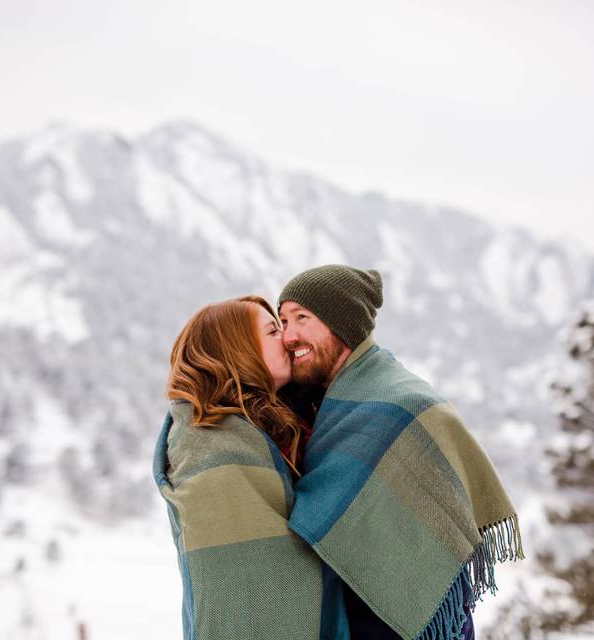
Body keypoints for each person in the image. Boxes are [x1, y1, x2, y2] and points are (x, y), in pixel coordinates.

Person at [279, 265, 524, 640]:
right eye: (282, 320)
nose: (288, 335)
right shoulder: (316, 405)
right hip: (351, 610)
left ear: (342, 324)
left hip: (411, 615)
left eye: (302, 318)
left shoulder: (403, 404)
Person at [152, 296, 349, 640]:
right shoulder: (208, 442)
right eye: (274, 330)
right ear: (236, 349)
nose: (287, 339)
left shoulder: (287, 427)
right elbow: (242, 582)